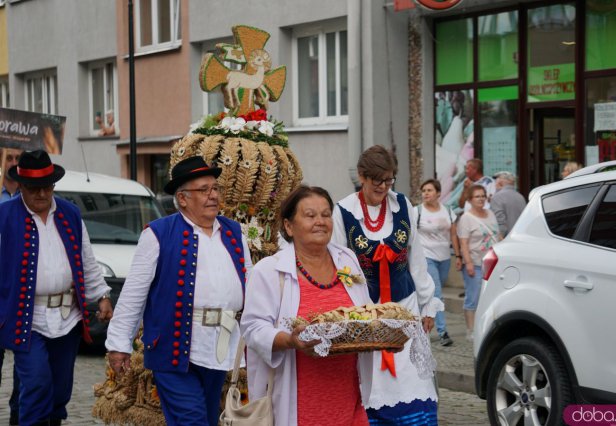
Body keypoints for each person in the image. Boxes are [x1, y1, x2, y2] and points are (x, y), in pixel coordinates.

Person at [106, 156, 252, 425]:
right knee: (191, 420)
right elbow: (133, 293)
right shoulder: (158, 234)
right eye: (203, 190)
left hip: (221, 345)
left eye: (215, 188)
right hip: (174, 349)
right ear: (182, 199)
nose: (213, 196)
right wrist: (118, 344)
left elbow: (251, 286)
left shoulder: (234, 233)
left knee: (207, 418)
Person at [241, 185, 372, 426]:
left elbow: (365, 312)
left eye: (325, 214)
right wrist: (290, 340)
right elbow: (252, 328)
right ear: (289, 226)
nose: (320, 222)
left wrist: (382, 334)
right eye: (310, 215)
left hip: (348, 399)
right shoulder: (269, 271)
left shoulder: (347, 260)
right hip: (298, 403)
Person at [0, 149, 113, 426]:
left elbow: (86, 258)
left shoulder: (70, 213)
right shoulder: (4, 216)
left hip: (67, 317)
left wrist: (101, 296)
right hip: (27, 317)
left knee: (60, 390)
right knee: (37, 383)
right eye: (33, 188)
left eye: (46, 187)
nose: (41, 194)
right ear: (21, 186)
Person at [332, 145, 443, 425]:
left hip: (404, 309)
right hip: (366, 315)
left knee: (412, 381)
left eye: (389, 180)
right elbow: (340, 265)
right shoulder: (343, 211)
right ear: (362, 176)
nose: (383, 186)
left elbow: (416, 258)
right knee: (373, 385)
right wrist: (358, 310)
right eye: (376, 180)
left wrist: (428, 304)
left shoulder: (403, 205)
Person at [415, 179, 461, 347]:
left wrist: (458, 256)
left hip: (444, 258)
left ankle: (419, 325)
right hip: (426, 257)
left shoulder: (448, 211)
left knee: (430, 294)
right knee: (437, 293)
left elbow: (454, 235)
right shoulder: (417, 212)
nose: (426, 193)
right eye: (424, 190)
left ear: (438, 194)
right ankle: (443, 332)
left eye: (429, 190)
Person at [457, 185, 501, 341]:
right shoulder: (466, 218)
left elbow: (498, 235)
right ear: (470, 200)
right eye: (477, 196)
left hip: (492, 263)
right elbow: (463, 243)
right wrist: (467, 263)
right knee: (473, 298)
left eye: (483, 196)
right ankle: (470, 330)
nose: (481, 199)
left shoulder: (490, 214)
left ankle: (486, 327)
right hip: (475, 263)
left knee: (490, 297)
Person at [0, 147, 23, 425]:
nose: (14, 164)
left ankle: (19, 418)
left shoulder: (28, 199)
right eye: (9, 158)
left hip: (20, 297)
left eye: (18, 158)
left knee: (25, 372)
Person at [490, 171, 526, 236]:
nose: (495, 185)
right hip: (520, 237)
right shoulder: (520, 197)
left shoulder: (497, 197)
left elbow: (500, 224)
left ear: (500, 184)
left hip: (506, 239)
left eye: (496, 183)